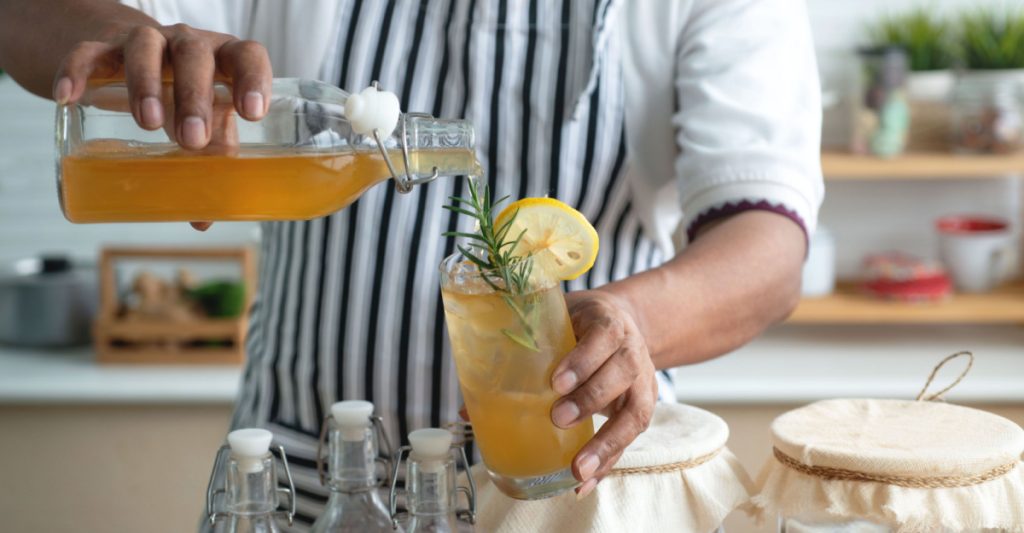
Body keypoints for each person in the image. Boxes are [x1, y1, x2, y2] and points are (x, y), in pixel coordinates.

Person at [0, 0, 822, 527]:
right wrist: (120, 40)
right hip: (305, 486)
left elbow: (768, 242)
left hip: (578, 500)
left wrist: (634, 318)